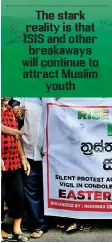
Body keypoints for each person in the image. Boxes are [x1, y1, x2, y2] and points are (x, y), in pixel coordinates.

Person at [12, 98, 49, 238]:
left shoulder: (59, 95)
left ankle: (53, 219)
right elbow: (16, 114)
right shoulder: (24, 95)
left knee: (50, 189)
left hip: (51, 154)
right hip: (28, 152)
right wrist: (18, 113)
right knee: (31, 189)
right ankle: (39, 224)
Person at [1, 97, 30, 242]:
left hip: (13, 162)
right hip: (1, 162)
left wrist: (23, 158)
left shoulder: (10, 111)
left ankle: (17, 229)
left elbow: (17, 139)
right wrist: (16, 132)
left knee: (18, 195)